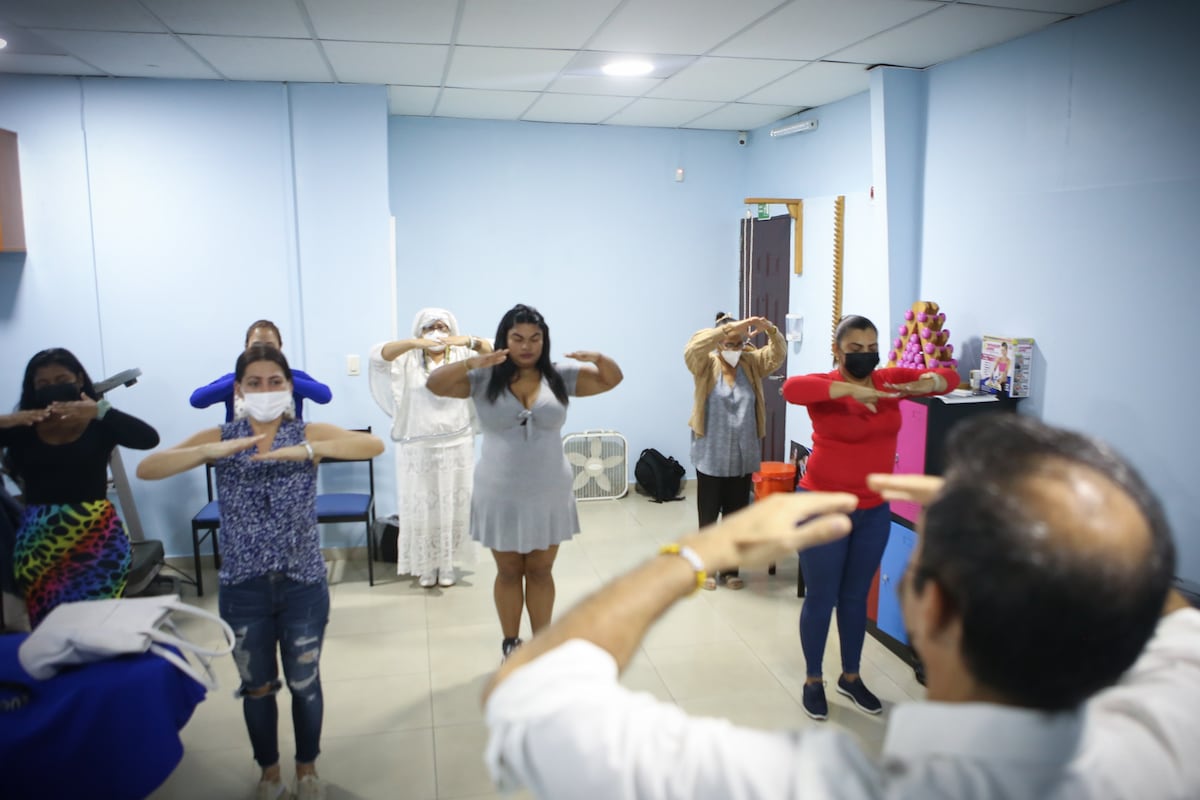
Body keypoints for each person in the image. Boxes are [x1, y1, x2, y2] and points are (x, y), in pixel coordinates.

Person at [481, 415, 1199, 800]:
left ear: (931, 611)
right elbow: (1166, 612)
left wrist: (700, 553)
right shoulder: (1165, 744)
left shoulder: (791, 785)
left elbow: (526, 697)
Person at [137, 344, 383, 800]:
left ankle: (306, 770)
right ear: (239, 390)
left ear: (289, 388)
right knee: (257, 688)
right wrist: (212, 449)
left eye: (275, 382)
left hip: (304, 582)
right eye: (255, 383)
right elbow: (149, 468)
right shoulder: (222, 435)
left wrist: (308, 451)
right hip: (242, 588)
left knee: (305, 683)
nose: (265, 390)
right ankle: (269, 775)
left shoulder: (303, 431)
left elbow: (371, 444)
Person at [780, 314, 958, 720]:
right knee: (822, 599)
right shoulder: (823, 386)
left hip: (874, 510)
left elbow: (948, 375)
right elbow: (792, 388)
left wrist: (925, 383)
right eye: (855, 349)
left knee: (855, 598)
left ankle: (851, 676)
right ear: (838, 351)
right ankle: (812, 680)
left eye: (872, 348)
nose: (866, 356)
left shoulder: (887, 380)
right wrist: (848, 391)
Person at [426, 303, 622, 660]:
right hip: (499, 491)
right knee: (509, 570)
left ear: (544, 341)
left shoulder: (560, 376)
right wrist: (473, 361)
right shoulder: (483, 378)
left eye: (535, 338)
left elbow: (611, 378)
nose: (527, 346)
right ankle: (511, 643)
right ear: (504, 340)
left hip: (549, 488)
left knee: (541, 570)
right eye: (517, 338)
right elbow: (435, 383)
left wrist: (598, 357)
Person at [0, 348, 159, 627]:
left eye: (62, 379)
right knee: (50, 633)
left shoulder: (99, 423)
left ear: (78, 380)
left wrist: (101, 411)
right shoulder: (23, 429)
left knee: (100, 629)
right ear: (32, 388)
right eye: (43, 384)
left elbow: (148, 438)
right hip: (40, 547)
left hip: (97, 543)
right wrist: (8, 421)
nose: (53, 388)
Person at [368, 307, 493, 587]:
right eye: (429, 327)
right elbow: (377, 355)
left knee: (453, 505)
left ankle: (447, 564)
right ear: (420, 331)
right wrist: (414, 343)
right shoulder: (407, 358)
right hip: (417, 447)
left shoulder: (462, 356)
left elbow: (491, 352)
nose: (437, 332)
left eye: (442, 326)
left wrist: (467, 340)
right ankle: (426, 565)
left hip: (456, 443)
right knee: (421, 506)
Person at [684, 312, 785, 590]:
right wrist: (729, 329)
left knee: (735, 514)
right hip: (710, 452)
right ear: (719, 344)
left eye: (739, 343)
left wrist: (771, 330)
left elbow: (777, 355)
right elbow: (693, 348)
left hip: (743, 451)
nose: (733, 349)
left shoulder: (750, 363)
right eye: (728, 343)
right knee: (708, 515)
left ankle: (730, 570)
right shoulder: (705, 364)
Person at [190, 319, 332, 422]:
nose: (263, 351)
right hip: (241, 454)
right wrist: (241, 380)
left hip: (289, 453)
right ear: (247, 347)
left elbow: (325, 396)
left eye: (269, 345)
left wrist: (284, 379)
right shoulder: (233, 380)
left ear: (280, 347)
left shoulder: (294, 376)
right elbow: (197, 400)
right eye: (256, 345)